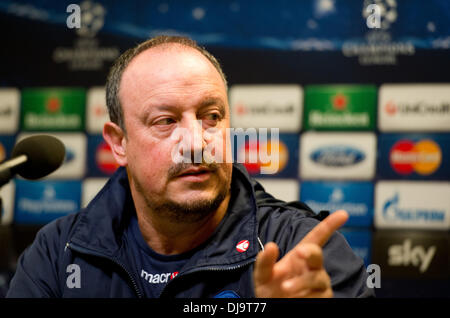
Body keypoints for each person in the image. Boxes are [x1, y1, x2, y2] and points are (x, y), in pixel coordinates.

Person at [6, 35, 373, 298]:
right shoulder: (59, 252)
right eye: (165, 121)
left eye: (211, 116)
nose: (196, 143)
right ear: (119, 143)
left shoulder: (303, 252)